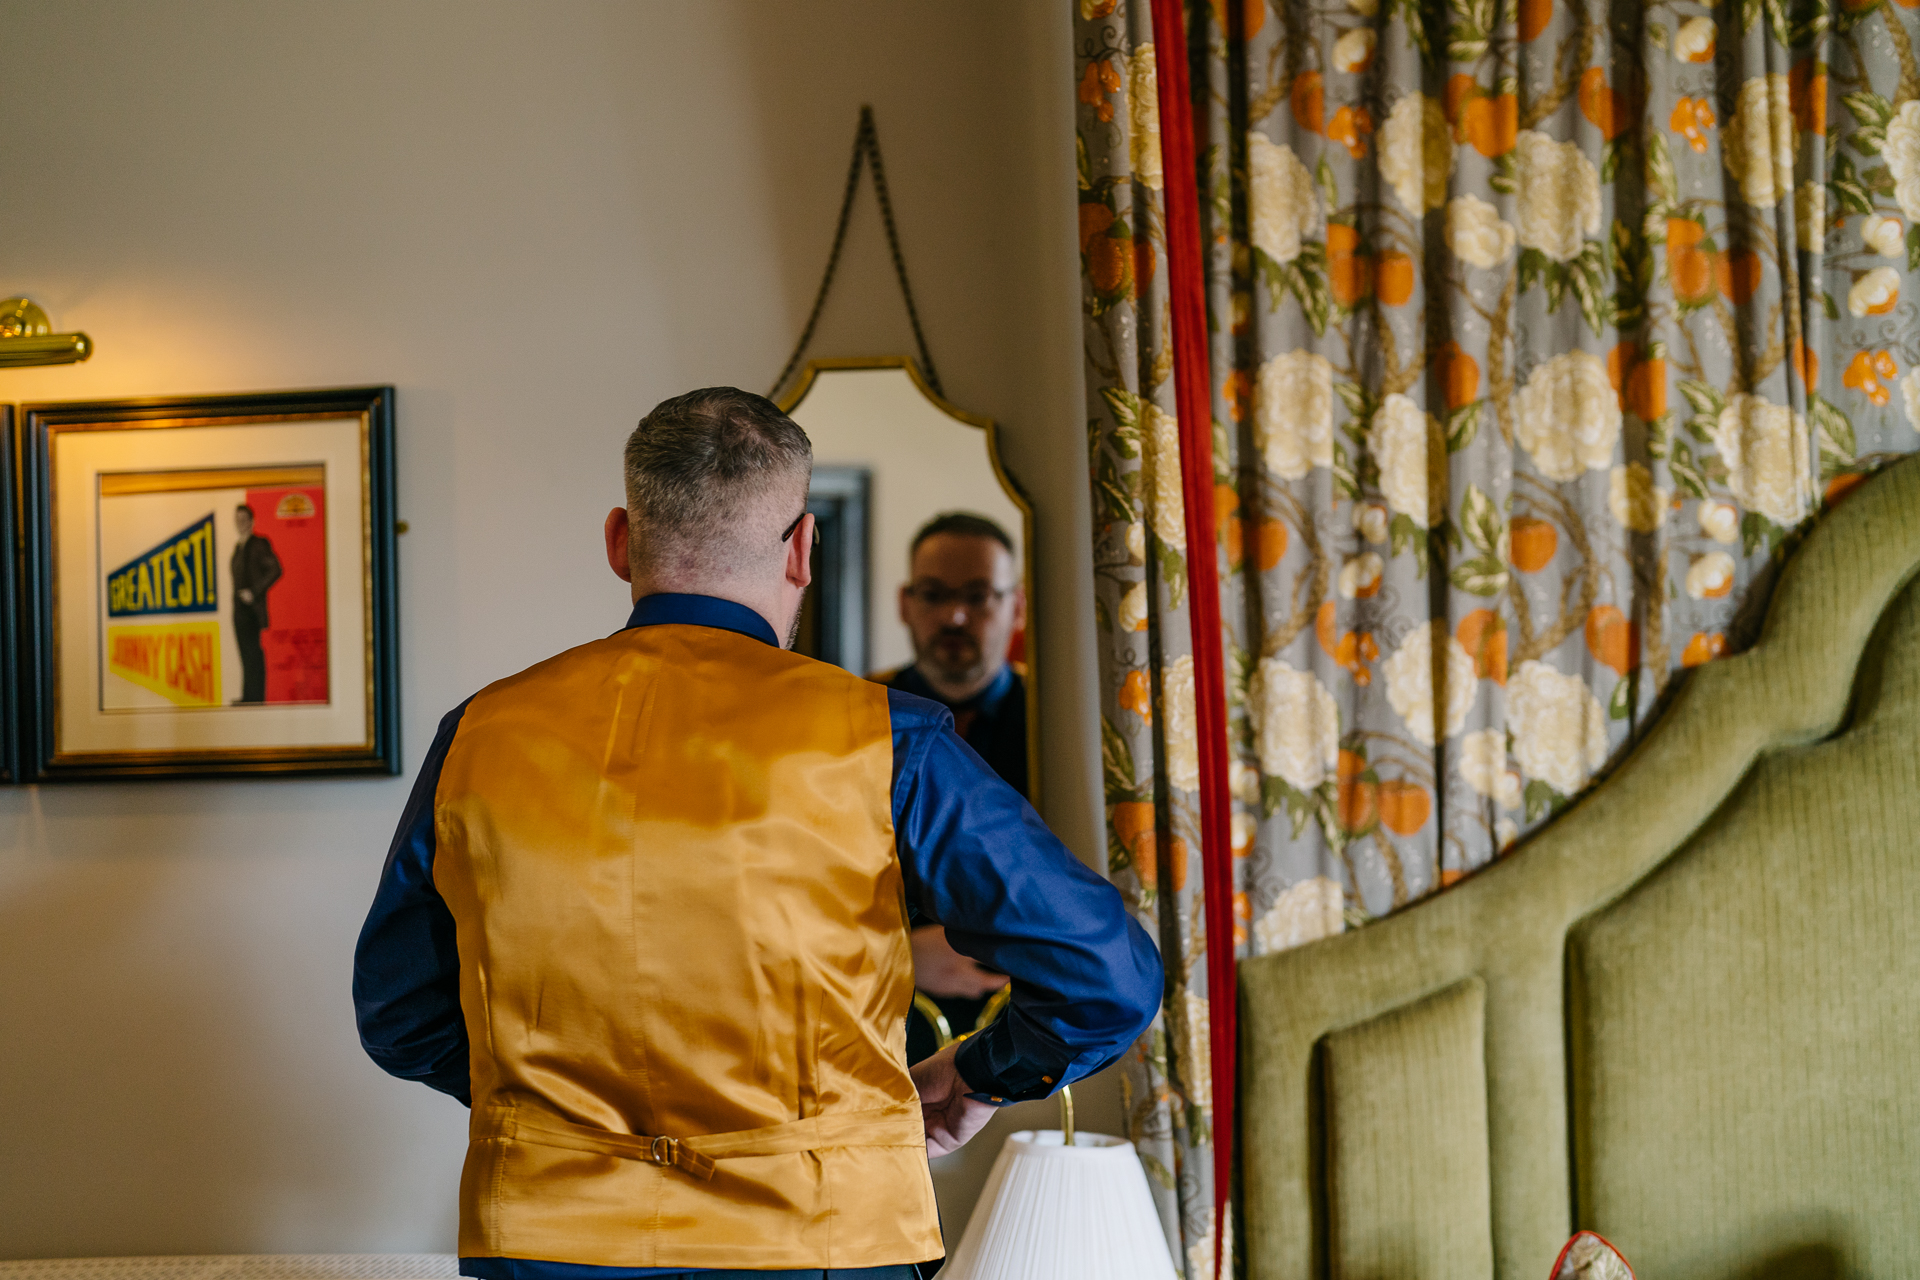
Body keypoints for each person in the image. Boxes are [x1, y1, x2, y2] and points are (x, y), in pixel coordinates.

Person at [353, 387, 1161, 1280]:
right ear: (805, 548)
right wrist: (977, 1075)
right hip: (822, 1238)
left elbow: (400, 1014)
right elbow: (1106, 974)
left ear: (622, 540)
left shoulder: (480, 733)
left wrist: (560, 1118)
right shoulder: (883, 738)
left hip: (547, 1243)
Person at [873, 513, 1030, 1063]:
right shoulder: (852, 717)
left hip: (1027, 1029)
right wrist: (898, 954)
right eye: (934, 595)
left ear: (1018, 606)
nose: (954, 616)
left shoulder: (1063, 724)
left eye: (978, 596)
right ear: (904, 603)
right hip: (875, 1026)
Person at [229, 503, 281, 704]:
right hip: (239, 610)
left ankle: (255, 699)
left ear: (252, 521)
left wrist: (254, 591)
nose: (240, 524)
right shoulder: (238, 546)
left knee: (253, 655)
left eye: (243, 520)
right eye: (237, 520)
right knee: (245, 654)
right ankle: (248, 697)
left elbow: (276, 569)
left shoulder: (259, 543)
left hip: (251, 609)